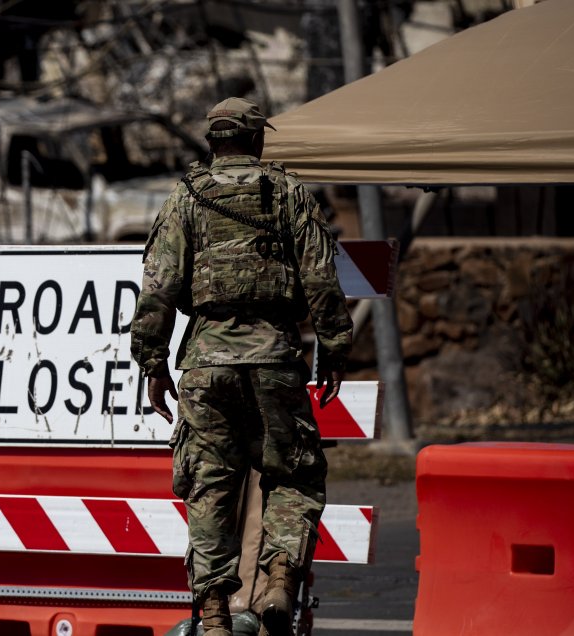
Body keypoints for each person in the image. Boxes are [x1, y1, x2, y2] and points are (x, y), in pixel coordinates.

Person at [129, 97, 352, 636]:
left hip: (206, 366)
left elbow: (158, 286)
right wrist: (335, 347)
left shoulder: (186, 196)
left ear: (212, 142)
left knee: (210, 487)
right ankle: (278, 581)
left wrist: (153, 362)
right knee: (293, 476)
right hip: (275, 357)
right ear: (256, 140)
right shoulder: (288, 192)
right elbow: (321, 278)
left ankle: (213, 616)